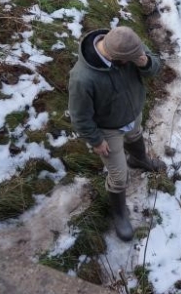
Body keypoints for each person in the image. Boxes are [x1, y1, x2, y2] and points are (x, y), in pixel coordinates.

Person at [68, 26, 162, 241]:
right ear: (114, 56)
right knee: (119, 177)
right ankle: (119, 214)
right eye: (132, 59)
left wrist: (144, 62)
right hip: (107, 130)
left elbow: (154, 66)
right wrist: (96, 140)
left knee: (135, 135)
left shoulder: (127, 43)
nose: (137, 57)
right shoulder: (82, 79)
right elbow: (79, 117)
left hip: (132, 114)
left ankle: (140, 160)